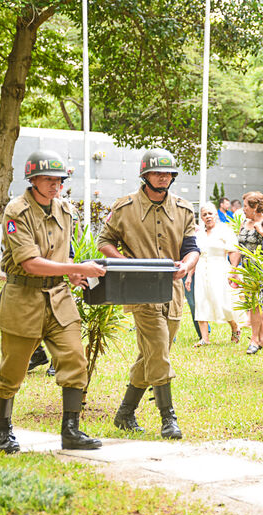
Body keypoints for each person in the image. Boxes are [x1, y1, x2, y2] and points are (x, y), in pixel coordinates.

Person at [0, 150, 105, 454]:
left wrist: (72, 275)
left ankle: (71, 431)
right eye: (49, 180)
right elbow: (30, 263)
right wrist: (78, 269)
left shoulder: (65, 210)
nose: (56, 185)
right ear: (33, 180)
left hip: (59, 298)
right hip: (23, 298)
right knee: (12, 370)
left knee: (74, 359)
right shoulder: (17, 212)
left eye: (60, 180)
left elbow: (62, 253)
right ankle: (4, 431)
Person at [97, 148, 200, 439]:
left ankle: (125, 413)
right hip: (140, 291)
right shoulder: (124, 207)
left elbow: (191, 248)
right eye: (157, 173)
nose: (163, 177)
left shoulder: (183, 208)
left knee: (154, 353)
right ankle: (169, 419)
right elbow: (104, 242)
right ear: (144, 175)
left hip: (173, 290)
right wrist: (128, 264)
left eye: (167, 173)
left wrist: (187, 266)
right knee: (158, 348)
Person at [233, 191, 263, 354]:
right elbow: (240, 247)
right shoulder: (245, 222)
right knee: (252, 306)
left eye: (245, 206)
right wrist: (234, 270)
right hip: (247, 269)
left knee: (255, 305)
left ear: (254, 208)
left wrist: (261, 232)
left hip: (262, 269)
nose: (243, 209)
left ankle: (254, 340)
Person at [192, 203, 242, 346]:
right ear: (201, 217)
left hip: (219, 268)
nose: (208, 217)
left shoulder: (224, 230)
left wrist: (234, 270)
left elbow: (234, 250)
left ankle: (234, 326)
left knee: (221, 301)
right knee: (201, 301)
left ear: (216, 215)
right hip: (201, 269)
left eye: (210, 213)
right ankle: (204, 338)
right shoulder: (199, 233)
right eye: (204, 214)